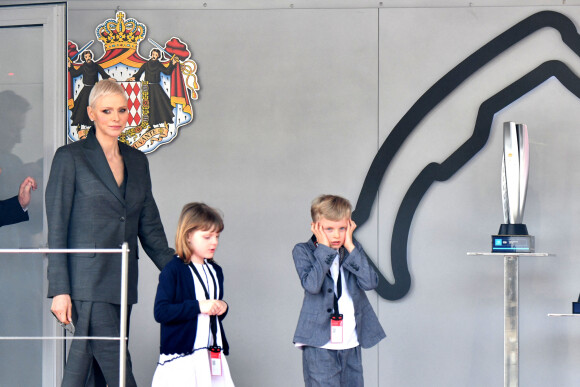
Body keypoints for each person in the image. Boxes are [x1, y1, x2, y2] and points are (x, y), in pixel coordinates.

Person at [46, 78, 175, 387]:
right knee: (116, 364)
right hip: (85, 281)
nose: (116, 118)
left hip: (122, 280)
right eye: (107, 111)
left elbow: (150, 227)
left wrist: (181, 271)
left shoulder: (137, 160)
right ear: (91, 113)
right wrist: (59, 289)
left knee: (96, 371)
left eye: (122, 110)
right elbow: (57, 227)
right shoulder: (70, 157)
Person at [292, 194, 386, 387]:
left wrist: (351, 245)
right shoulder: (303, 251)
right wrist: (325, 250)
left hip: (351, 341)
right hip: (319, 343)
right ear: (316, 227)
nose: (336, 235)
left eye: (342, 228)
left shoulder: (351, 250)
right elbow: (312, 285)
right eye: (329, 229)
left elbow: (370, 283)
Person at [152, 202, 234, 387]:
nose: (214, 242)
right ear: (188, 236)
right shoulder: (173, 270)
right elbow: (161, 312)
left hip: (211, 355)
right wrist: (198, 306)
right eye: (207, 237)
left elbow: (212, 315)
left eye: (217, 236)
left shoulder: (216, 271)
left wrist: (222, 307)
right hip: (183, 358)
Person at [127, 49, 178, 128]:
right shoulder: (146, 65)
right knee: (148, 105)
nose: (154, 56)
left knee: (160, 105)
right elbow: (139, 73)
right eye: (153, 54)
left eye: (156, 55)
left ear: (158, 57)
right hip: (146, 88)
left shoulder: (159, 65)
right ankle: (149, 124)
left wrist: (172, 64)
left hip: (156, 87)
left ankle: (163, 122)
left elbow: (167, 72)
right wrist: (133, 77)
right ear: (151, 54)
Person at [68, 50, 111, 130]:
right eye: (86, 57)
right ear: (84, 58)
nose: (88, 58)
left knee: (96, 106)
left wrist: (109, 78)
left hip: (94, 89)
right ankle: (79, 125)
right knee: (82, 107)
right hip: (86, 89)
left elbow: (103, 73)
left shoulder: (95, 66)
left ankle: (96, 125)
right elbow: (75, 74)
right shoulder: (83, 66)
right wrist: (70, 67)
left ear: (91, 56)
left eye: (89, 56)